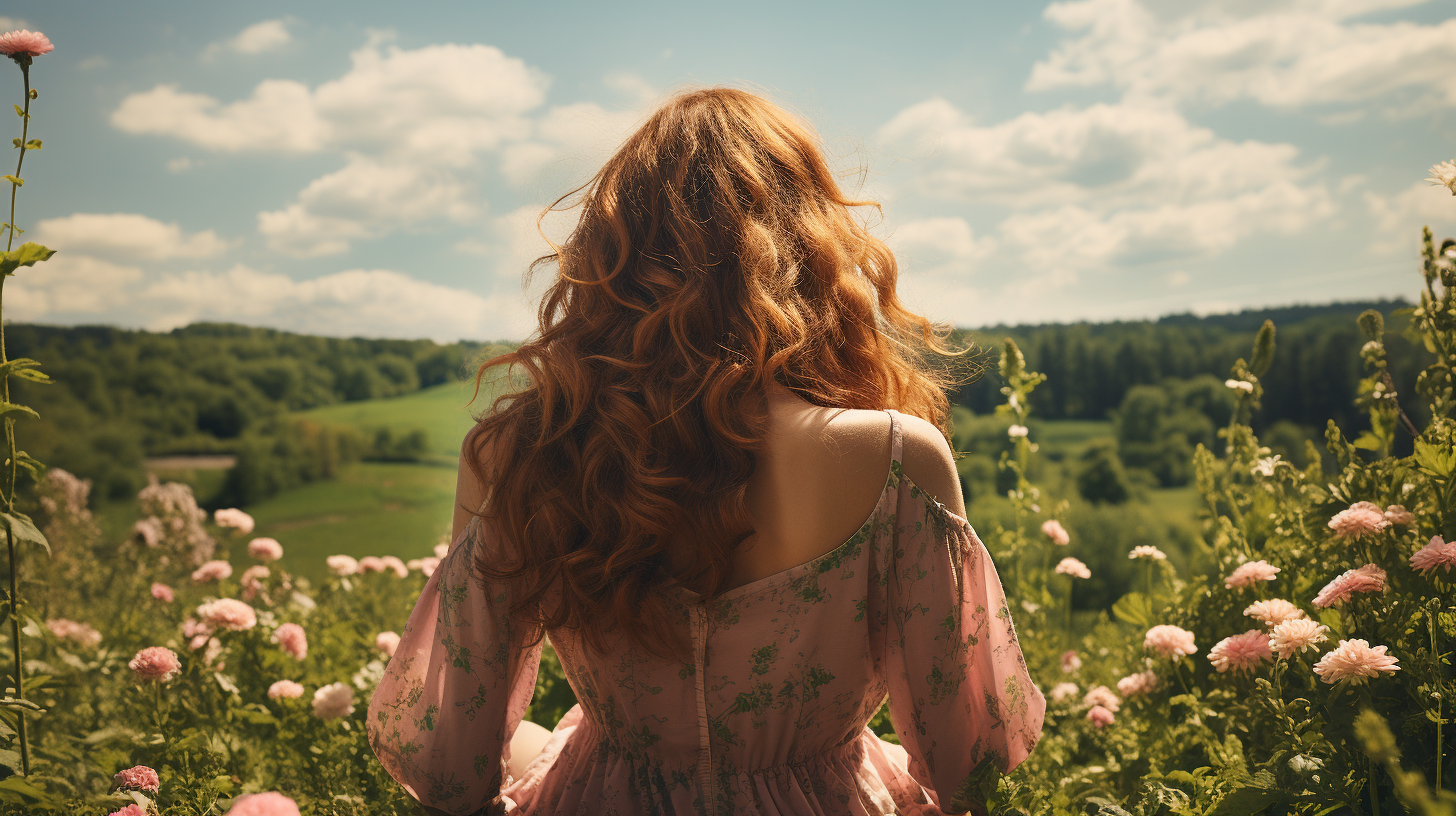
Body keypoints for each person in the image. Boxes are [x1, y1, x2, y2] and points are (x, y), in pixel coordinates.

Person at [366, 86, 1045, 816]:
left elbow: (453, 774)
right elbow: (969, 762)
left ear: (609, 258)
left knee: (547, 741)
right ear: (815, 248)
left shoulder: (518, 456)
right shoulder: (897, 459)